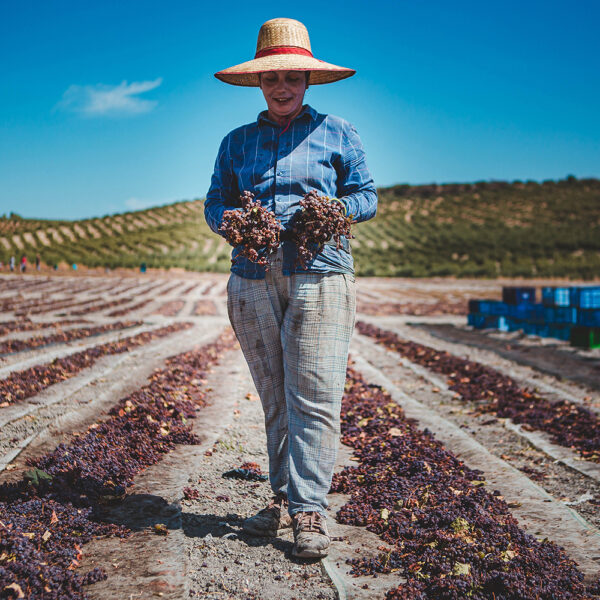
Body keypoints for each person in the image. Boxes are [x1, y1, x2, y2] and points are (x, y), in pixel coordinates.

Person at [204, 18, 377, 558]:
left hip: (321, 273)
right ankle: (284, 496)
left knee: (317, 395)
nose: (283, 87)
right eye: (272, 77)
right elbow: (214, 201)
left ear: (308, 81)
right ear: (259, 82)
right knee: (276, 395)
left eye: (292, 78)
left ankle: (309, 511)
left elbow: (366, 197)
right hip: (252, 277)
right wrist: (229, 220)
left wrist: (334, 211)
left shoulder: (339, 133)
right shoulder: (237, 143)